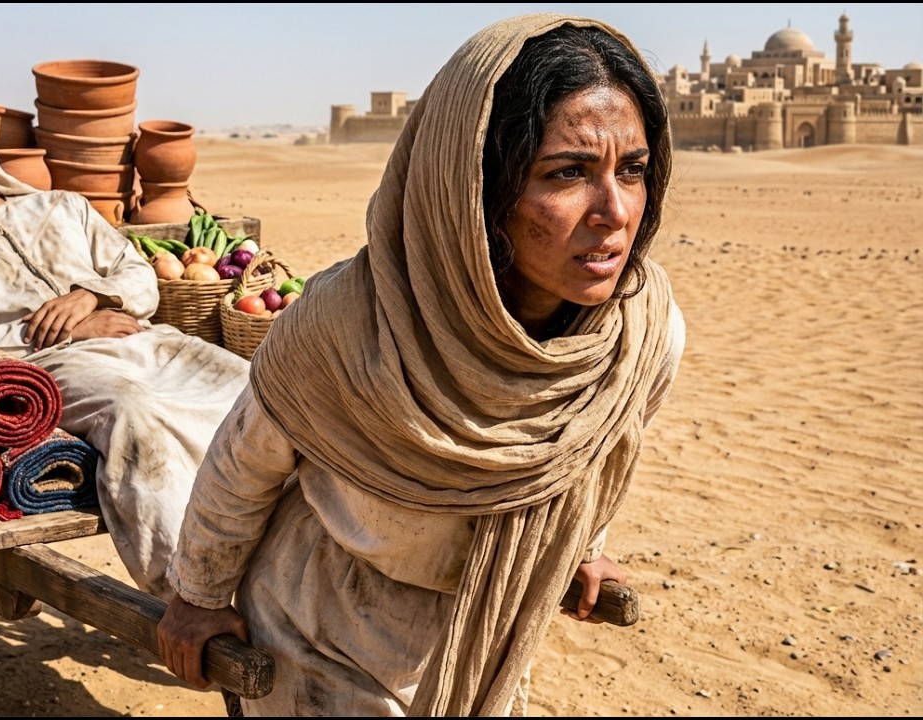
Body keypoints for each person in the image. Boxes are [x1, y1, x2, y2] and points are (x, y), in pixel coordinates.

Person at [156, 12, 687, 716]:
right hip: (321, 630)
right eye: (568, 173)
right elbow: (243, 465)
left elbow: (590, 455)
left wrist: (580, 545)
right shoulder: (348, 324)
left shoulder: (641, 336)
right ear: (476, 187)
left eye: (634, 171)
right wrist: (196, 597)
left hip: (482, 633)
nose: (615, 211)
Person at [0, 98, 252, 601]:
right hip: (48, 367)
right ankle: (188, 594)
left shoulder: (62, 206)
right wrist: (73, 330)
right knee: (135, 411)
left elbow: (139, 278)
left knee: (250, 384)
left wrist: (91, 295)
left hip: (146, 339)